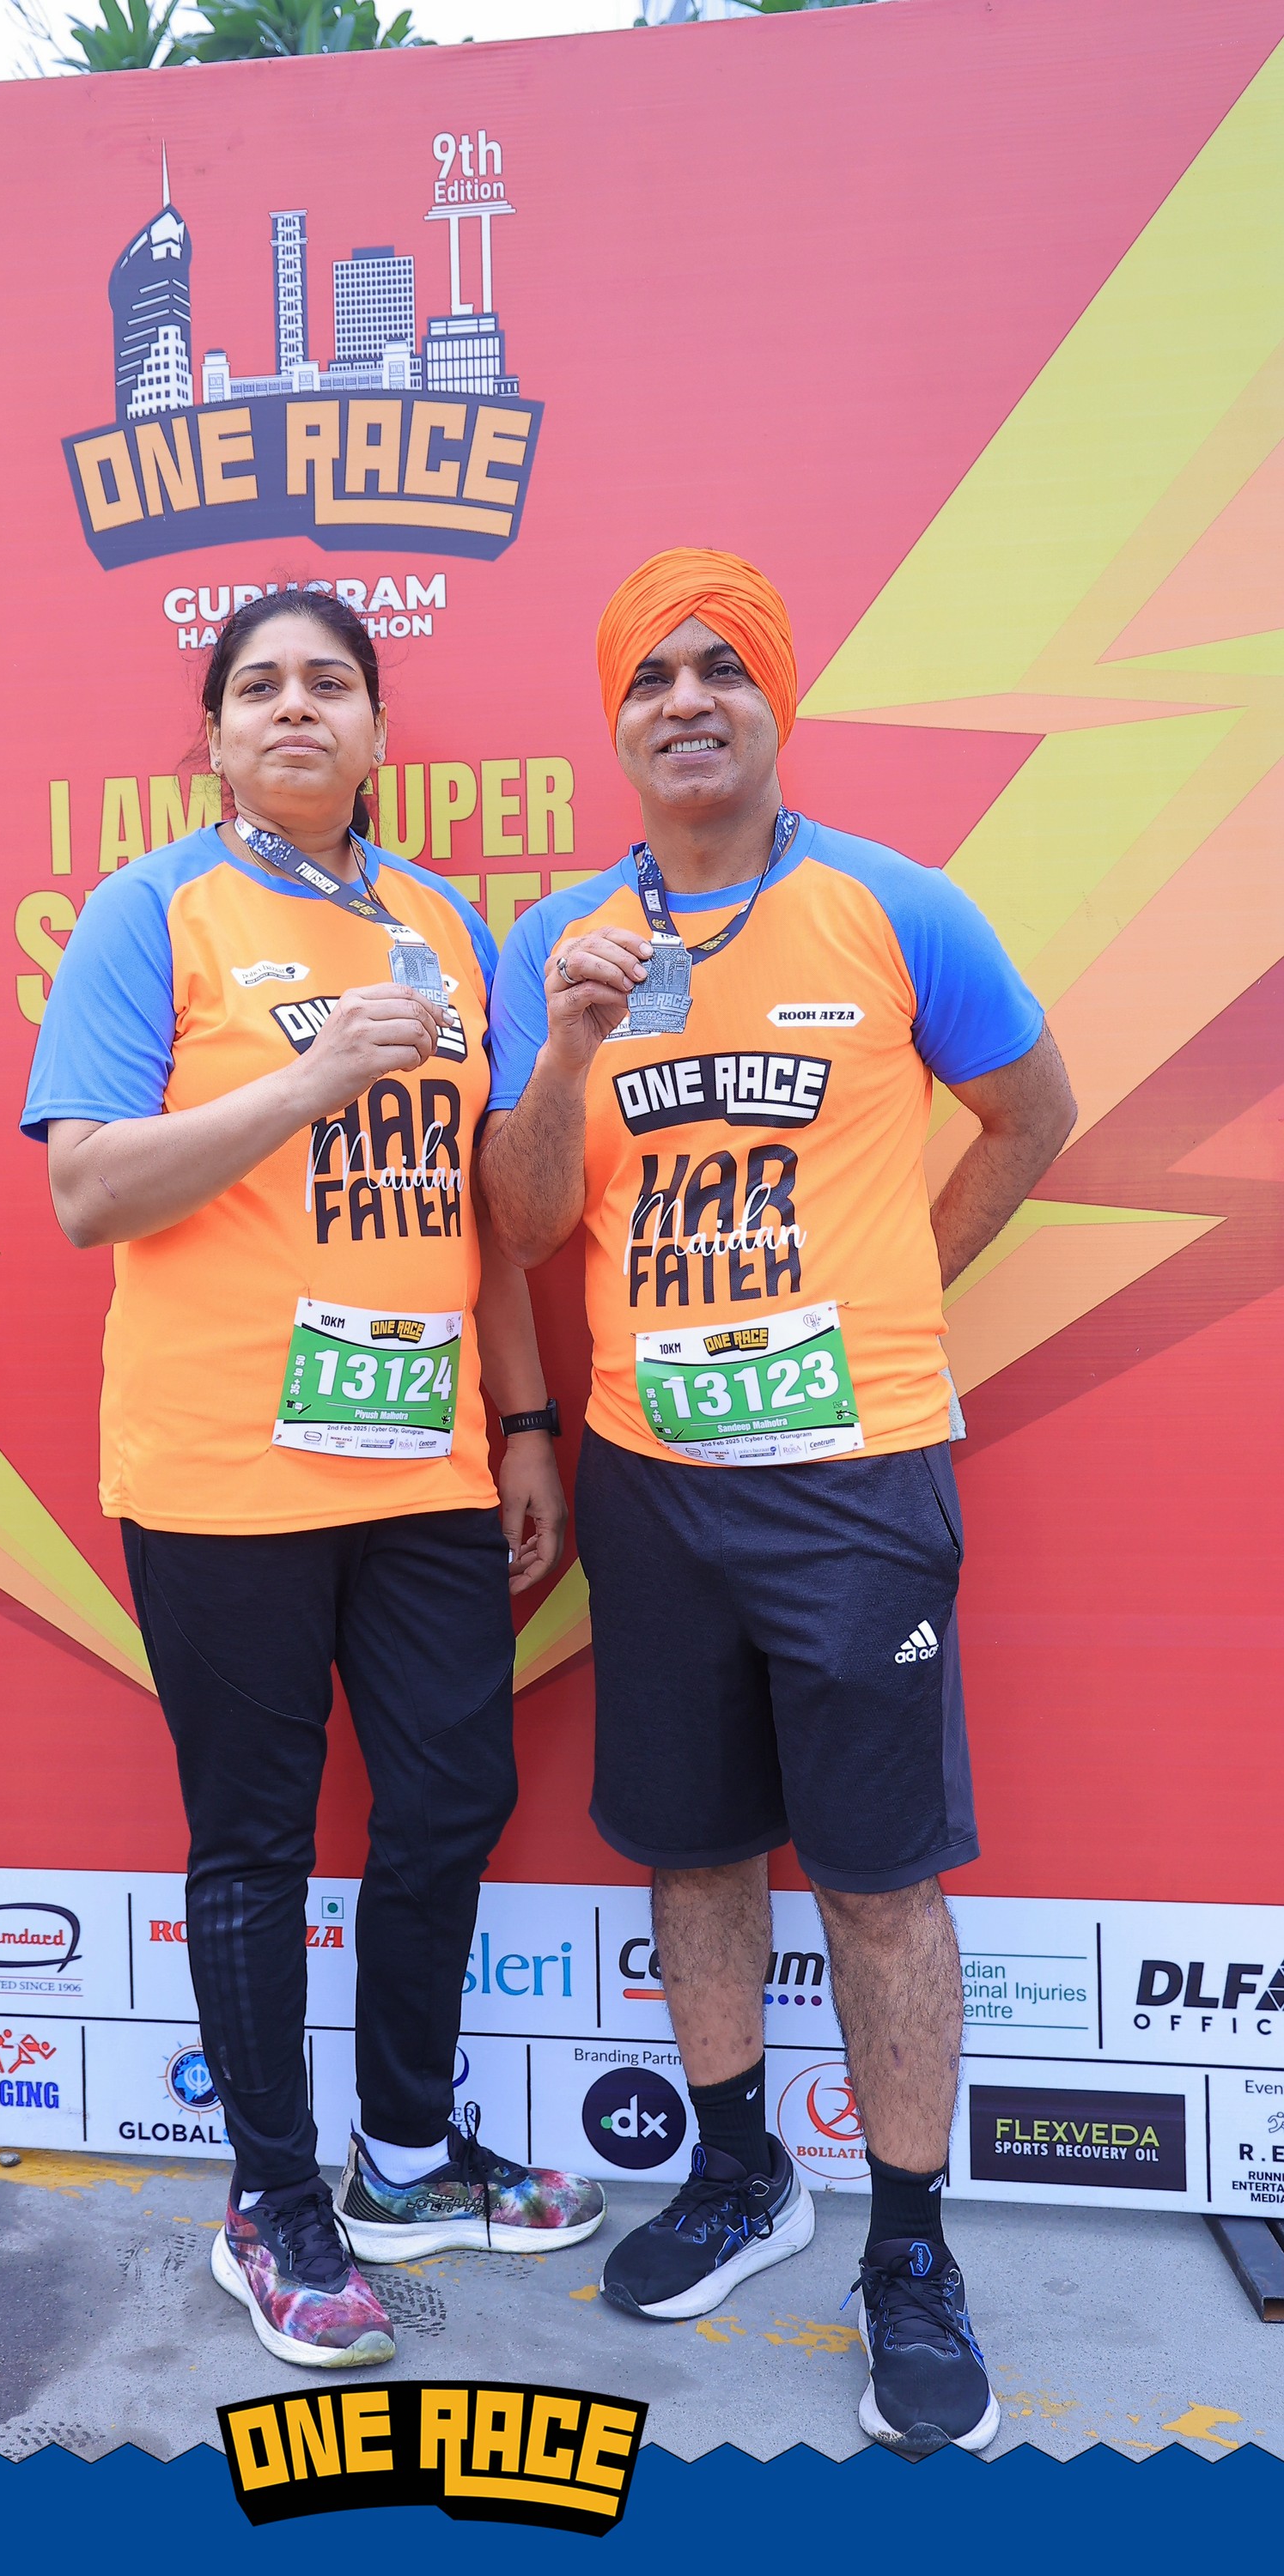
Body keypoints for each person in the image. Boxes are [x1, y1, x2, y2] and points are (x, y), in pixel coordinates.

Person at [480, 550, 1076, 2456]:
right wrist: (567, 1043)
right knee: (696, 1850)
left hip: (854, 1476)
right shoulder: (558, 940)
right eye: (649, 674)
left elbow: (1036, 1113)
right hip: (655, 1486)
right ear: (615, 721)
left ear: (772, 700)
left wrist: (898, 1284)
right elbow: (522, 1221)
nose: (686, 699)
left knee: (882, 1881)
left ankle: (909, 2250)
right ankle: (740, 2172)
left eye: (720, 666)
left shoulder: (897, 906)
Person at [21, 588, 605, 2372]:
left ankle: (406, 2158)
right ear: (213, 737)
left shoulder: (444, 925)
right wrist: (311, 1077)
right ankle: (272, 2201)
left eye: (329, 684)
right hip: (222, 1473)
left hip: (421, 1463)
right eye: (259, 685)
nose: (296, 707)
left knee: (449, 1796)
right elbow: (87, 1191)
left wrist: (523, 1425)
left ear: (375, 732)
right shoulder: (152, 911)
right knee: (258, 1842)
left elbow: (482, 1218)